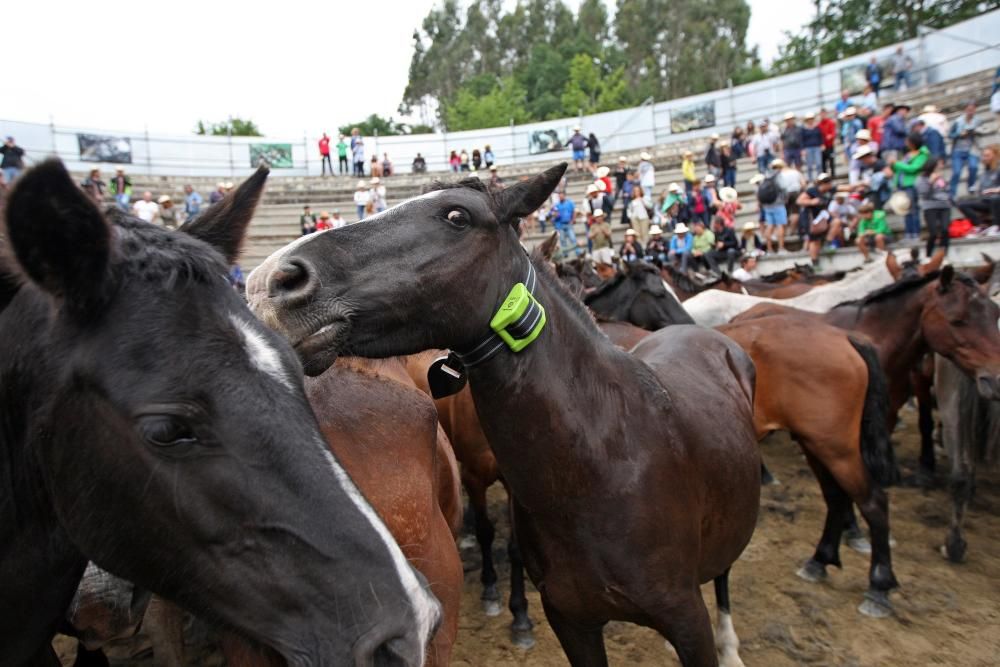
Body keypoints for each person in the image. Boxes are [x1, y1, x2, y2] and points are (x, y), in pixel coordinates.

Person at [892, 131, 931, 240]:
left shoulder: (922, 154)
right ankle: (908, 234)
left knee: (913, 210)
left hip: (911, 185)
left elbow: (913, 168)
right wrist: (893, 165)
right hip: (902, 185)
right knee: (905, 210)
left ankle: (915, 234)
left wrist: (897, 164)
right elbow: (899, 169)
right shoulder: (908, 154)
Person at [956, 143, 1000, 227]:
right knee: (962, 204)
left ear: (995, 156)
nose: (984, 158)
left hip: (997, 200)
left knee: (995, 199)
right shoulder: (984, 173)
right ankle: (981, 225)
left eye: (987, 156)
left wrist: (995, 190)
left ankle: (996, 227)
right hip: (986, 201)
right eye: (983, 156)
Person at [797, 172, 835, 263]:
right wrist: (812, 202)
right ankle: (814, 261)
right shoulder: (812, 191)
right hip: (811, 219)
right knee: (814, 240)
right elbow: (799, 201)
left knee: (835, 222)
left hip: (823, 218)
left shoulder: (830, 190)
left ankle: (828, 243)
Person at [917, 159, 951, 257]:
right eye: (938, 165)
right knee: (934, 233)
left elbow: (946, 190)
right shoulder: (922, 179)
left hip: (944, 205)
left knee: (945, 230)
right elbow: (924, 194)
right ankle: (928, 255)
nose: (940, 167)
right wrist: (931, 182)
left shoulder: (942, 177)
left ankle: (943, 255)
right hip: (930, 206)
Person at [949, 101, 981, 197]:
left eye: (972, 110)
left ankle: (971, 188)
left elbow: (982, 130)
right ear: (965, 110)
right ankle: (952, 194)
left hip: (971, 149)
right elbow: (950, 135)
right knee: (957, 172)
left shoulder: (977, 120)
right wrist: (959, 134)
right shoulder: (958, 121)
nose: (970, 112)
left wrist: (976, 132)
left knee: (973, 167)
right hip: (958, 150)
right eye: (969, 110)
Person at [758, 160, 788, 254]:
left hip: (767, 205)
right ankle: (781, 248)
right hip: (778, 204)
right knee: (780, 225)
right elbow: (784, 188)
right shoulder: (779, 176)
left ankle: (769, 249)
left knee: (770, 226)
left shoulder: (766, 176)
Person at [801, 112, 823, 182]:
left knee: (818, 164)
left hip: (817, 147)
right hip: (808, 148)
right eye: (808, 119)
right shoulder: (804, 129)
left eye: (811, 119)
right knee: (809, 165)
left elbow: (820, 136)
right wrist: (803, 149)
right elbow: (802, 139)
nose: (810, 120)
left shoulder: (817, 127)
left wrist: (822, 144)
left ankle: (820, 178)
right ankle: (810, 180)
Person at [818, 108, 838, 178]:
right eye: (821, 114)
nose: (823, 115)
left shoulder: (831, 122)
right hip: (823, 146)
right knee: (823, 162)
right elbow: (819, 136)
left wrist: (831, 136)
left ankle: (833, 175)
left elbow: (833, 133)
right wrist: (821, 144)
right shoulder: (819, 124)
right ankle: (825, 177)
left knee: (831, 161)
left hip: (830, 145)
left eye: (824, 114)